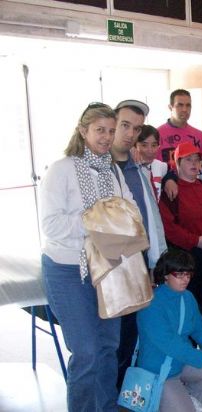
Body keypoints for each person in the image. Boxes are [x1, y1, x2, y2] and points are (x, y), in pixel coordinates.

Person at [39, 102, 134, 411]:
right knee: (87, 352)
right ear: (83, 131)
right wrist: (97, 220)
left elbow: (131, 213)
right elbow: (51, 226)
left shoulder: (114, 171)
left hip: (109, 268)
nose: (106, 137)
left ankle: (105, 406)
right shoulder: (62, 169)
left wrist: (121, 221)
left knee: (109, 347)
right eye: (99, 130)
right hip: (68, 270)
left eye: (111, 130)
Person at [111, 99, 168, 390]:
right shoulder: (98, 167)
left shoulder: (136, 169)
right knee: (110, 341)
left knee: (131, 334)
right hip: (110, 269)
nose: (130, 133)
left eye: (136, 128)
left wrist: (154, 262)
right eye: (125, 125)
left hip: (139, 264)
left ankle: (125, 392)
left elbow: (150, 218)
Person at [136, 249, 202, 412]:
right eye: (179, 274)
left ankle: (190, 399)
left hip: (182, 363)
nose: (185, 279)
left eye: (188, 274)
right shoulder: (151, 304)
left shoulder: (187, 297)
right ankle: (178, 400)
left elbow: (199, 328)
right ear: (165, 274)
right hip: (158, 371)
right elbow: (169, 344)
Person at [159, 142, 202, 299]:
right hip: (187, 259)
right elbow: (169, 227)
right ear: (178, 163)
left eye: (197, 159)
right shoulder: (171, 191)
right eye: (188, 159)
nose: (194, 163)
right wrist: (196, 241)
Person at [157, 89, 202, 168]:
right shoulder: (157, 134)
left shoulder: (200, 136)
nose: (184, 109)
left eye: (188, 105)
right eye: (180, 105)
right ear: (170, 107)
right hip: (166, 179)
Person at [135, 124, 168, 201]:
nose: (150, 150)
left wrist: (169, 179)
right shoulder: (130, 168)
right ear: (135, 145)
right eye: (144, 145)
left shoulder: (159, 166)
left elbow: (172, 170)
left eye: (154, 145)